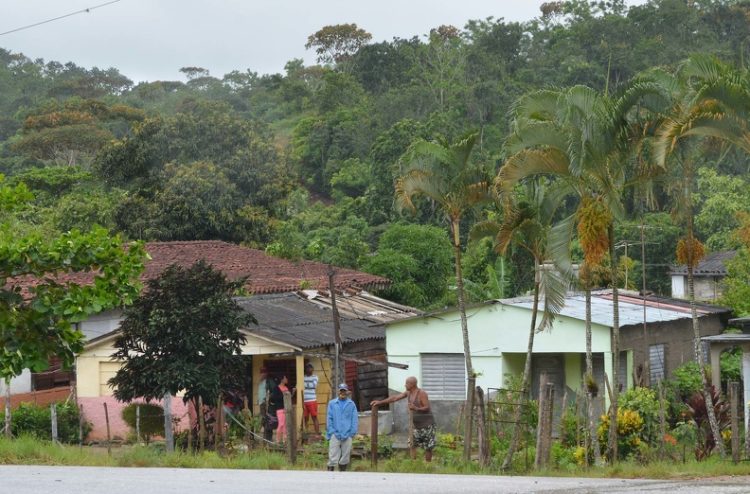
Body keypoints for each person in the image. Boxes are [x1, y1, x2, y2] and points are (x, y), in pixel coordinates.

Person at [371, 376, 435, 462]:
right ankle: (414, 463)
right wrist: (380, 402)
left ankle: (428, 465)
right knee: (412, 444)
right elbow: (395, 398)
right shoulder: (408, 393)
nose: (405, 385)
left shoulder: (422, 393)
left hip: (427, 425)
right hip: (415, 425)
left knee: (428, 447)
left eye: (407, 383)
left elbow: (427, 407)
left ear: (412, 384)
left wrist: (416, 408)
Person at [326, 383, 358, 471]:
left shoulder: (351, 404)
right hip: (335, 433)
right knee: (332, 454)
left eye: (344, 391)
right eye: (341, 391)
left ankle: (342, 472)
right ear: (338, 392)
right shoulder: (332, 403)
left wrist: (352, 433)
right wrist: (331, 431)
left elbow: (354, 419)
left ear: (347, 392)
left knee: (346, 455)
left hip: (347, 433)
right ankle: (330, 473)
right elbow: (329, 418)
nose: (342, 393)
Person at [269, 374, 292, 444]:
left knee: (285, 425)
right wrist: (284, 395)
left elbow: (289, 398)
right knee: (281, 424)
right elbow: (276, 398)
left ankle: (285, 440)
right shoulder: (276, 388)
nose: (286, 379)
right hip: (280, 408)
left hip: (286, 408)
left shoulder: (286, 388)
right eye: (285, 378)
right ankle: (278, 440)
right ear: (282, 380)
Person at [303, 363, 320, 433]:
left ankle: (317, 433)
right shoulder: (303, 377)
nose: (308, 369)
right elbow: (299, 385)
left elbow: (313, 385)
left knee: (314, 417)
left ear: (312, 369)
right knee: (305, 418)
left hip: (312, 401)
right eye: (307, 368)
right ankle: (306, 433)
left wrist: (305, 384)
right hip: (304, 401)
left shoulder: (315, 377)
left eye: (310, 368)